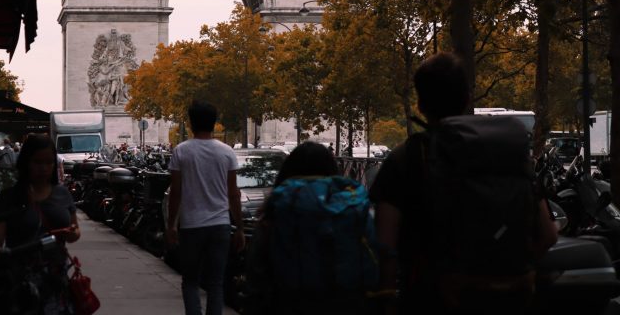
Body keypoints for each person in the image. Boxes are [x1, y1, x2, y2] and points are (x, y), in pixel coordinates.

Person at [369, 52, 558, 315]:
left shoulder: (407, 158)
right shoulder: (507, 150)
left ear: (421, 105)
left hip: (434, 298)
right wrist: (504, 274)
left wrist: (387, 298)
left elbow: (385, 246)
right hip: (510, 299)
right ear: (468, 99)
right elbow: (548, 234)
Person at [244, 142, 376, 314]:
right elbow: (373, 260)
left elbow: (257, 273)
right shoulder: (352, 209)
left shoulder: (277, 212)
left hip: (289, 304)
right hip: (345, 304)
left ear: (287, 173)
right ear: (332, 170)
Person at [166, 100, 245, 315]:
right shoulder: (227, 152)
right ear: (214, 123)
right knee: (216, 283)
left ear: (191, 123)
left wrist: (171, 225)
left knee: (190, 281)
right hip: (220, 225)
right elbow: (233, 193)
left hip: (191, 225)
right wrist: (238, 227)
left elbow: (176, 193)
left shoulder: (181, 151)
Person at [0, 134, 80, 315]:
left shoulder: (63, 194)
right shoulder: (8, 198)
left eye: (49, 163)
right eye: (38, 162)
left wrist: (72, 233)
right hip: (21, 284)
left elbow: (75, 231)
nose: (44, 168)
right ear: (26, 163)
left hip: (57, 282)